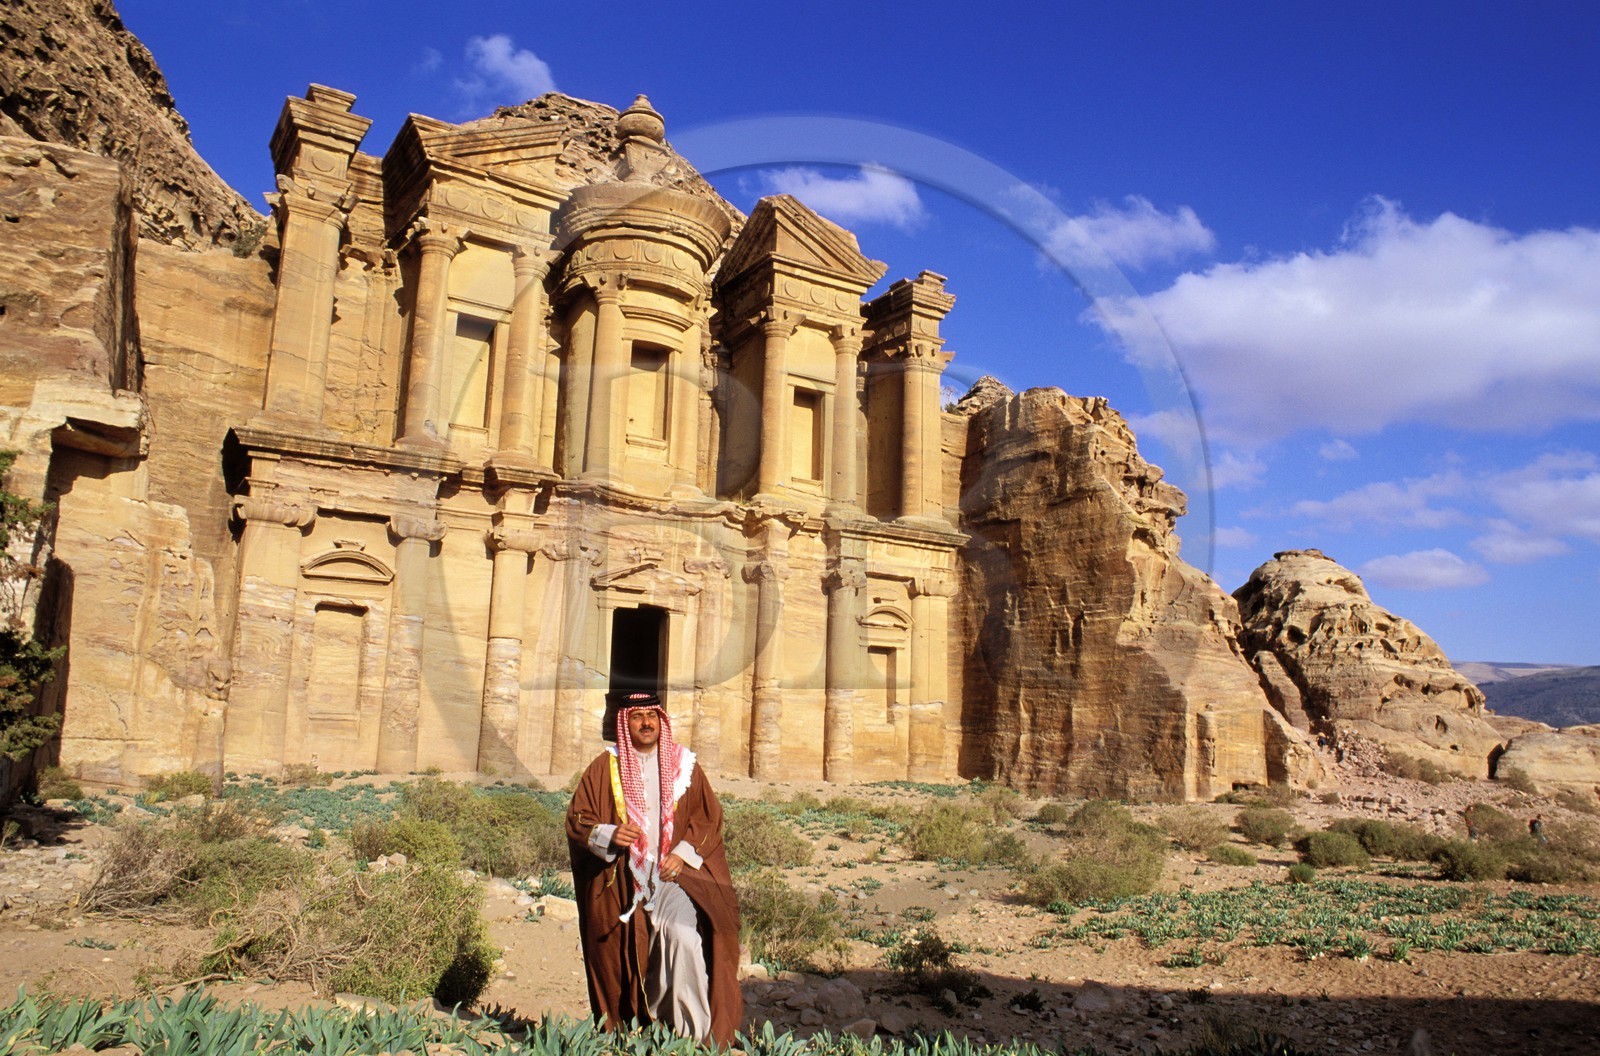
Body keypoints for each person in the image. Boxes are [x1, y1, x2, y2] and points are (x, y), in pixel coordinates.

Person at [565, 690, 743, 1048]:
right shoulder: (605, 767)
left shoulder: (685, 766)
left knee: (685, 942)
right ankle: (633, 1032)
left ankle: (690, 1041)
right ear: (624, 722)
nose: (646, 723)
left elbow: (708, 819)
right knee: (621, 958)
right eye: (636, 716)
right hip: (623, 884)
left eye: (652, 715)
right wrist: (610, 834)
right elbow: (578, 819)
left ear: (661, 720)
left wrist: (684, 853)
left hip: (672, 881)